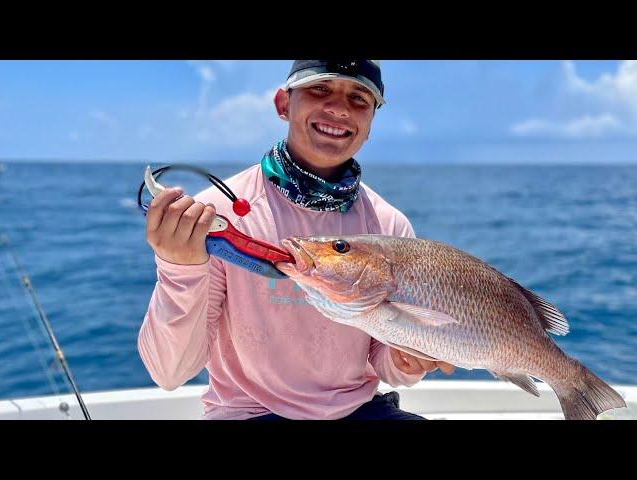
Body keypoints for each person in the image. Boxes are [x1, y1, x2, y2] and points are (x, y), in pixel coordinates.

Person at [138, 60, 455, 420]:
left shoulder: (388, 225)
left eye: (358, 98)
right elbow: (169, 372)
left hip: (359, 411)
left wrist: (407, 360)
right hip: (249, 412)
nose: (338, 108)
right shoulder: (218, 216)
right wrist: (179, 268)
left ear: (369, 125)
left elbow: (384, 362)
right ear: (283, 105)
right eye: (319, 89)